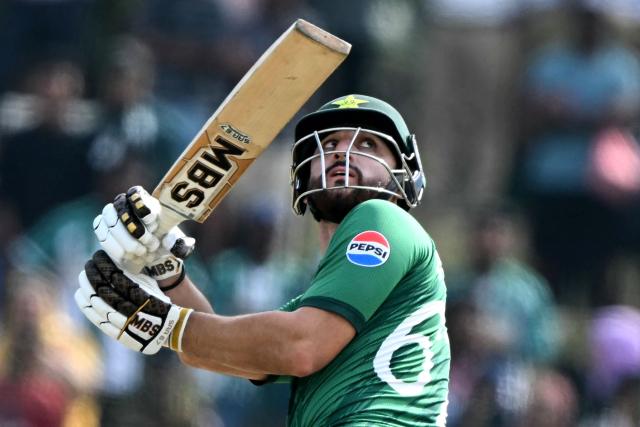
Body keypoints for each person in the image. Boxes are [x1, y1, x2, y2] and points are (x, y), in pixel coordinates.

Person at [74, 94, 451, 425]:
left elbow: (301, 347)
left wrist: (167, 326)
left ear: (405, 171)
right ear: (304, 174)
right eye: (330, 142)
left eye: (367, 144)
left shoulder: (383, 218)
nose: (342, 152)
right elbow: (230, 353)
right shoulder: (319, 304)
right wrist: (167, 273)